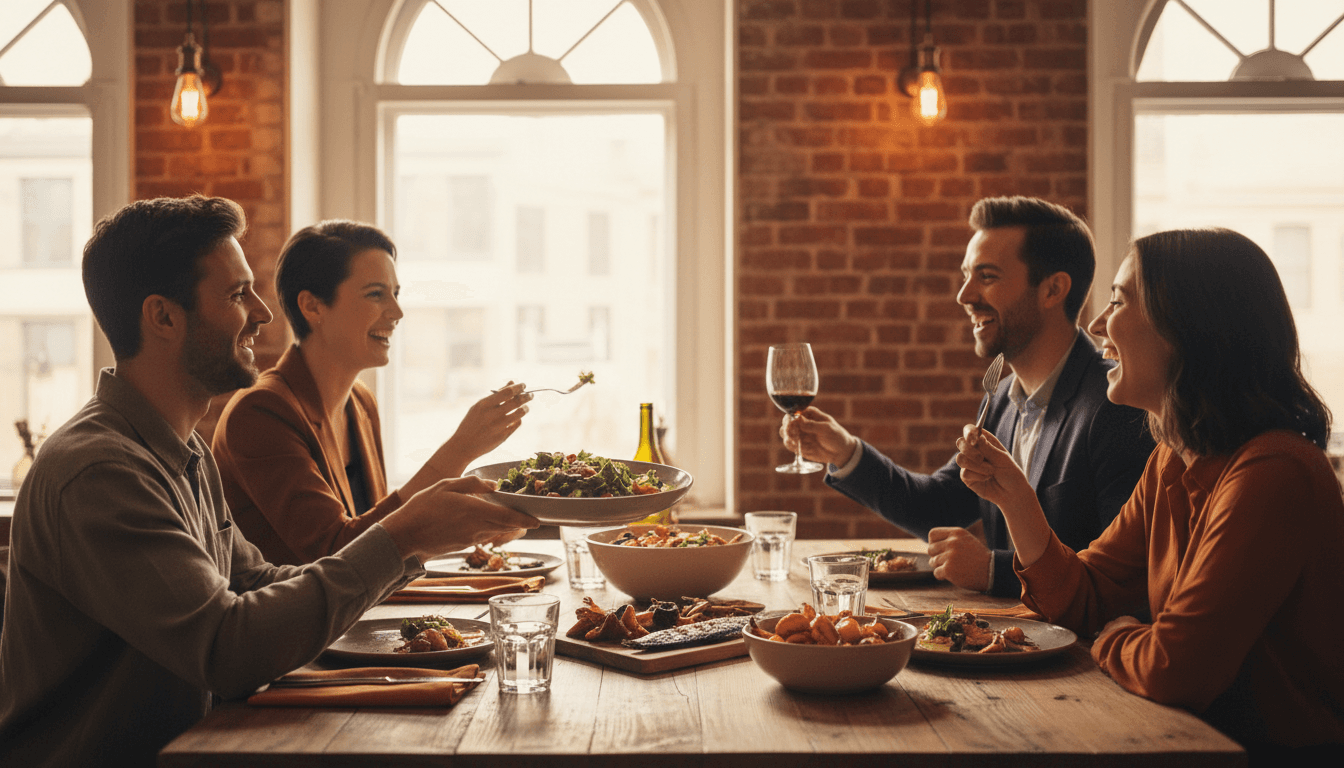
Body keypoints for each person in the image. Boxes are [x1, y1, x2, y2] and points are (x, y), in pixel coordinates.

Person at [0, 196, 538, 766]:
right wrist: (402, 537)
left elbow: (255, 580)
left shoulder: (184, 450)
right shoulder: (100, 472)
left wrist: (413, 541)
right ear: (162, 316)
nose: (262, 313)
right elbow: (226, 647)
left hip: (205, 744)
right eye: (237, 295)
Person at [955, 228, 1344, 757]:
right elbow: (1083, 597)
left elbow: (1176, 669)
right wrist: (1018, 501)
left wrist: (1115, 634)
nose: (1095, 325)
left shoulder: (1274, 471)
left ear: (1184, 326)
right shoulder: (1172, 458)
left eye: (1116, 301)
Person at [781, 196, 1154, 596]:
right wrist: (845, 452)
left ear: (1053, 289)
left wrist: (994, 571)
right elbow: (939, 506)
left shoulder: (1116, 404)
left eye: (987, 276)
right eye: (966, 275)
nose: (964, 294)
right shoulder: (1001, 398)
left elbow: (1121, 573)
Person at [212, 220, 532, 565]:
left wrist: (478, 528)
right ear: (313, 306)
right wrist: (459, 450)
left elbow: (384, 550)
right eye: (376, 294)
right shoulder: (261, 412)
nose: (396, 313)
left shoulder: (360, 402)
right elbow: (338, 555)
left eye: (395, 294)